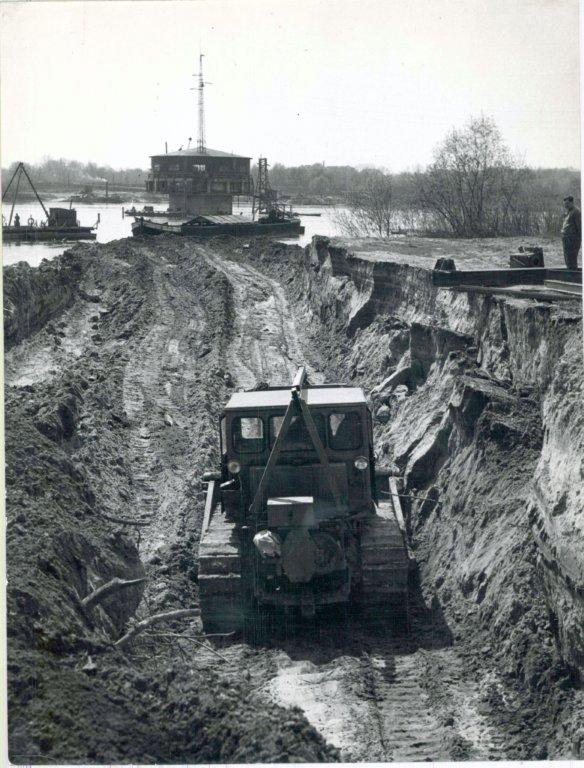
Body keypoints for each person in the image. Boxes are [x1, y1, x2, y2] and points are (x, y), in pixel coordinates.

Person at [561, 196, 581, 270]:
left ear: (572, 203)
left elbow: (580, 227)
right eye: (564, 204)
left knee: (572, 259)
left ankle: (573, 276)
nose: (565, 205)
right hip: (566, 239)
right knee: (567, 259)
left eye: (567, 203)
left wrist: (579, 239)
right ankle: (570, 273)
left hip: (572, 240)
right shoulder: (568, 212)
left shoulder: (576, 212)